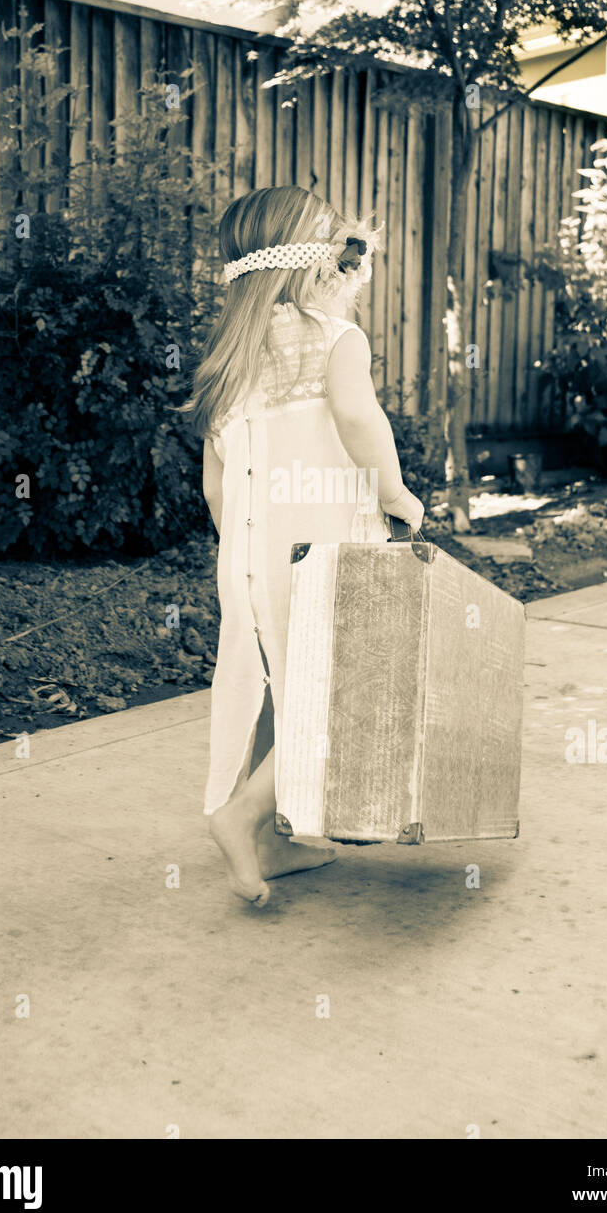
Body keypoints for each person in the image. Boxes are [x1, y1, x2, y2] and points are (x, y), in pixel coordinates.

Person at [184, 185, 424, 906]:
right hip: (321, 550)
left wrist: (243, 549)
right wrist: (393, 494)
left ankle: (277, 837)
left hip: (252, 555)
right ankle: (242, 814)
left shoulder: (231, 357)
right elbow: (357, 418)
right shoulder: (335, 340)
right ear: (308, 259)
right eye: (329, 243)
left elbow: (216, 487)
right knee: (333, 693)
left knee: (275, 691)